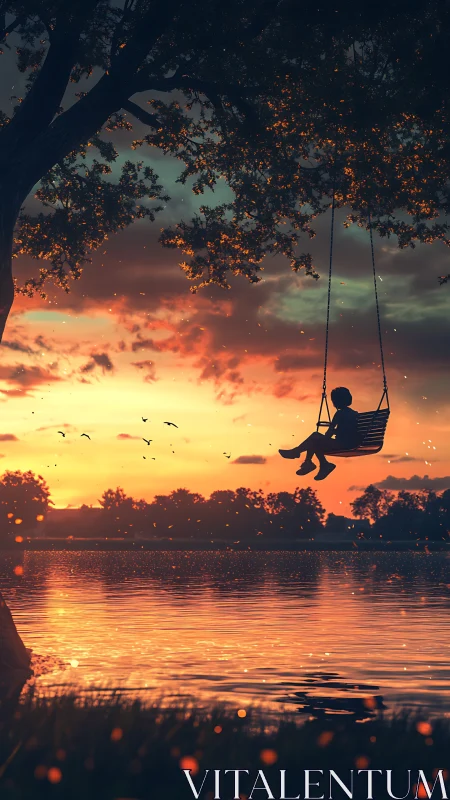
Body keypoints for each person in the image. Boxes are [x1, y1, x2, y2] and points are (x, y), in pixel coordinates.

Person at [279, 387, 361, 481]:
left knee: (315, 438)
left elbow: (330, 431)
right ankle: (317, 463)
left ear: (337, 401)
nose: (333, 402)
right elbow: (347, 430)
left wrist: (324, 438)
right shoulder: (353, 413)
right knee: (315, 439)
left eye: (333, 400)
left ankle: (300, 455)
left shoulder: (339, 413)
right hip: (350, 443)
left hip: (343, 445)